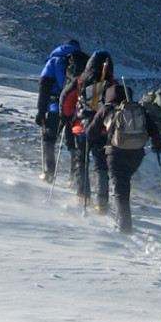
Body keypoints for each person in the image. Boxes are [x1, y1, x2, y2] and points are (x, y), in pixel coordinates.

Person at [84, 83, 161, 233]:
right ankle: (123, 221)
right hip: (137, 153)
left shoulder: (107, 109)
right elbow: (153, 129)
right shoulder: (139, 109)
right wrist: (157, 145)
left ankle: (124, 225)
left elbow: (91, 133)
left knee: (120, 187)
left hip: (116, 153)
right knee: (124, 183)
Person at [60, 50, 116, 211]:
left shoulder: (80, 80)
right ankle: (102, 203)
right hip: (103, 129)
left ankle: (83, 196)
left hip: (81, 128)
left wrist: (65, 117)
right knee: (101, 165)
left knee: (81, 162)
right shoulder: (111, 83)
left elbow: (66, 98)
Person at [36, 39, 85, 182]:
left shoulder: (53, 61)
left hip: (55, 108)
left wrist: (41, 111)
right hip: (76, 109)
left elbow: (43, 87)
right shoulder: (84, 62)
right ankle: (73, 178)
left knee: (49, 139)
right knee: (73, 144)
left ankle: (48, 172)